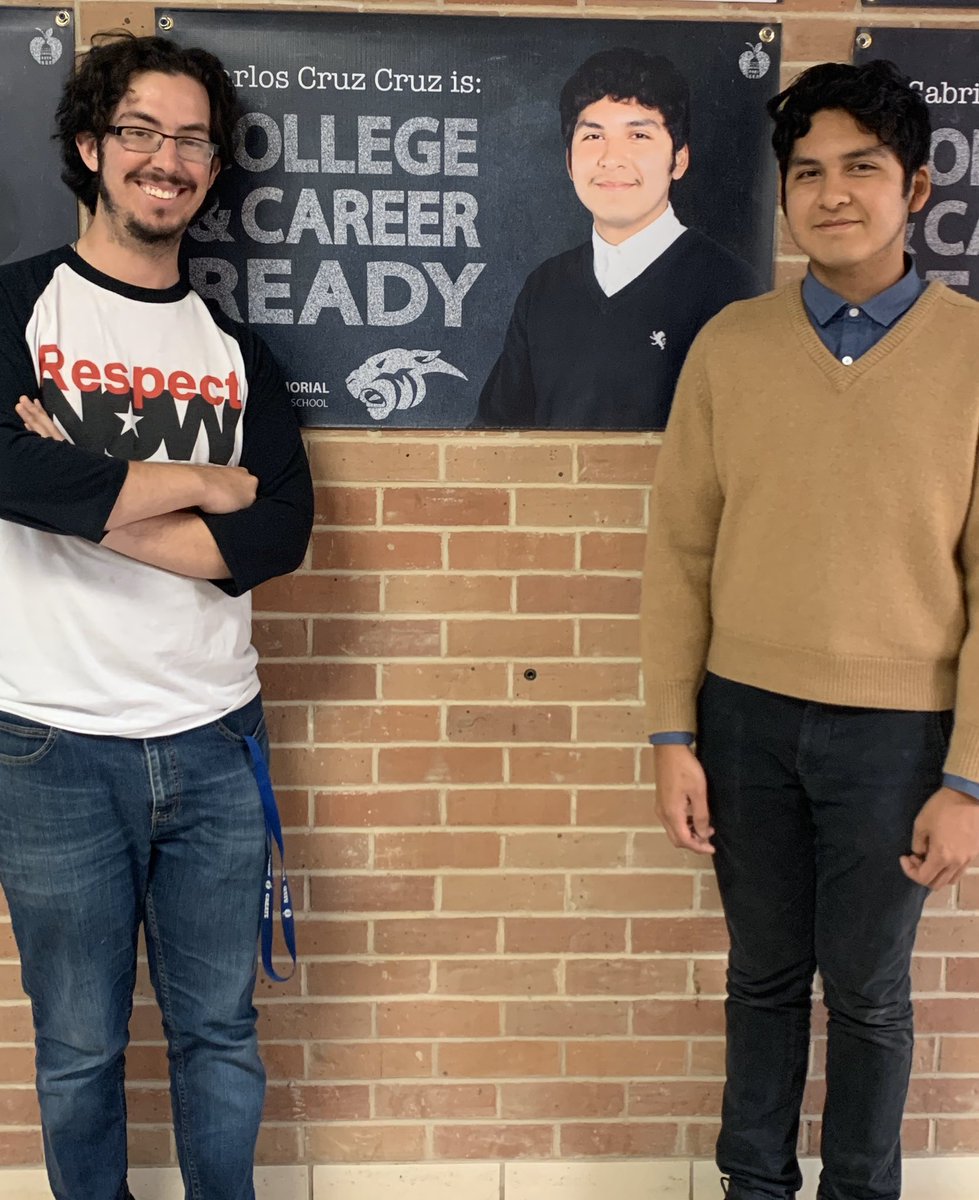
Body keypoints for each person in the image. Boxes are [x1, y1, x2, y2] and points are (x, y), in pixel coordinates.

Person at [642, 60, 979, 1200]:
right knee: (762, 981)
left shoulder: (972, 355)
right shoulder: (729, 349)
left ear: (917, 185)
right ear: (783, 195)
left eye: (862, 169)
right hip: (743, 724)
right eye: (808, 173)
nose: (833, 194)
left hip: (901, 737)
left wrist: (968, 780)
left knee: (872, 993)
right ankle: (752, 1188)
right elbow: (680, 554)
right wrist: (669, 736)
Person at [0, 34, 312, 1200]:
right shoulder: (17, 310)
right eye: (140, 131)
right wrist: (199, 481)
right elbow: (7, 478)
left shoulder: (236, 353)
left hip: (217, 742)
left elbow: (276, 535)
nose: (166, 159)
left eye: (191, 139)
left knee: (219, 1035)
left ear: (212, 170)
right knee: (80, 1051)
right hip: (47, 746)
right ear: (90, 146)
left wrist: (87, 492)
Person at [474, 46, 760, 430]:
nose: (612, 158)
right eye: (593, 137)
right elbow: (493, 436)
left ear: (679, 159)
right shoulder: (545, 288)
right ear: (569, 164)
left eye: (639, 135)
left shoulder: (731, 288)